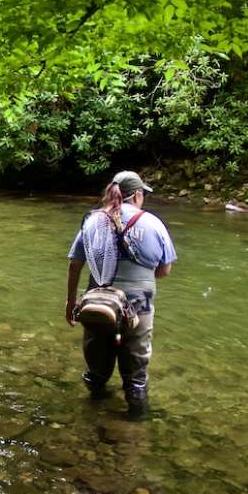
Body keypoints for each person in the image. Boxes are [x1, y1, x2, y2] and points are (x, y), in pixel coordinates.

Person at [65, 170, 177, 420]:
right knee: (135, 377)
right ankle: (136, 424)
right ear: (137, 195)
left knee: (96, 369)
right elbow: (164, 271)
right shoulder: (153, 223)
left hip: (98, 305)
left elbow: (75, 264)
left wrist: (71, 302)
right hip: (139, 307)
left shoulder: (93, 221)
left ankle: (92, 415)